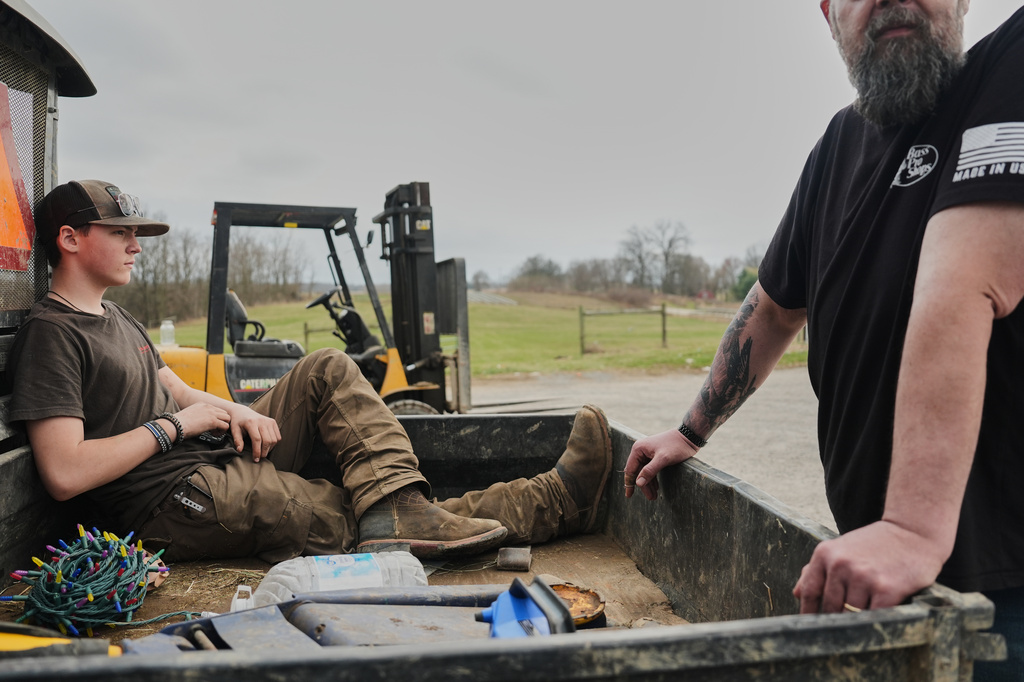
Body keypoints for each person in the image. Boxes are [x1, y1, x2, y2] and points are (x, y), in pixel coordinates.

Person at [624, 1, 1024, 678]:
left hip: (1004, 594)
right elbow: (775, 309)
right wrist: (690, 432)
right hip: (876, 576)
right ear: (828, 14)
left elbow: (966, 280)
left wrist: (912, 528)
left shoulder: (1007, 74)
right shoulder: (837, 148)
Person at [10, 178, 613, 566]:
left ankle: (398, 505)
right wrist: (178, 429)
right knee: (352, 515)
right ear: (69, 238)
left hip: (199, 452)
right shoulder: (52, 334)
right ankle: (553, 503)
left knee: (326, 366)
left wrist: (232, 409)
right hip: (167, 500)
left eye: (135, 234)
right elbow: (65, 472)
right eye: (120, 233)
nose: (136, 245)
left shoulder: (117, 316)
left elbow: (170, 385)